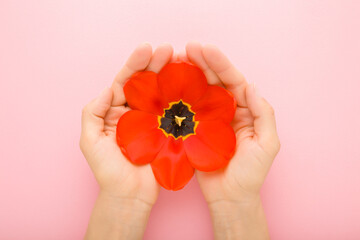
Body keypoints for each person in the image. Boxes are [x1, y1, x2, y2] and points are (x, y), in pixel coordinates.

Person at [79, 41, 280, 240]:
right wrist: (121, 199)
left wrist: (237, 201)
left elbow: (224, 102)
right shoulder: (144, 104)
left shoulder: (222, 105)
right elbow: (138, 93)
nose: (178, 119)